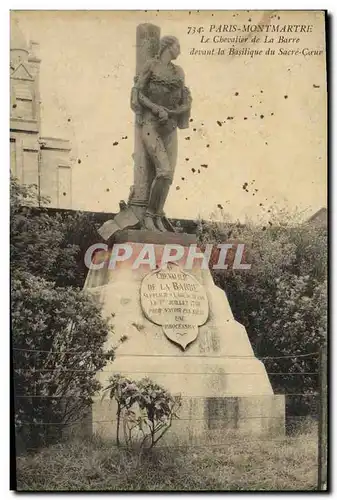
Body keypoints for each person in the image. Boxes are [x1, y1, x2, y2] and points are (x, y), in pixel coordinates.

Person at [130, 35, 192, 232]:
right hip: (151, 125)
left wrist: (174, 112)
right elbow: (138, 92)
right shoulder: (152, 66)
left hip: (170, 128)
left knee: (168, 176)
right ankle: (148, 216)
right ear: (167, 46)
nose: (180, 50)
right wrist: (156, 109)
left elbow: (184, 100)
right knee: (163, 170)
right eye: (177, 45)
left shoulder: (179, 72)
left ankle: (157, 216)